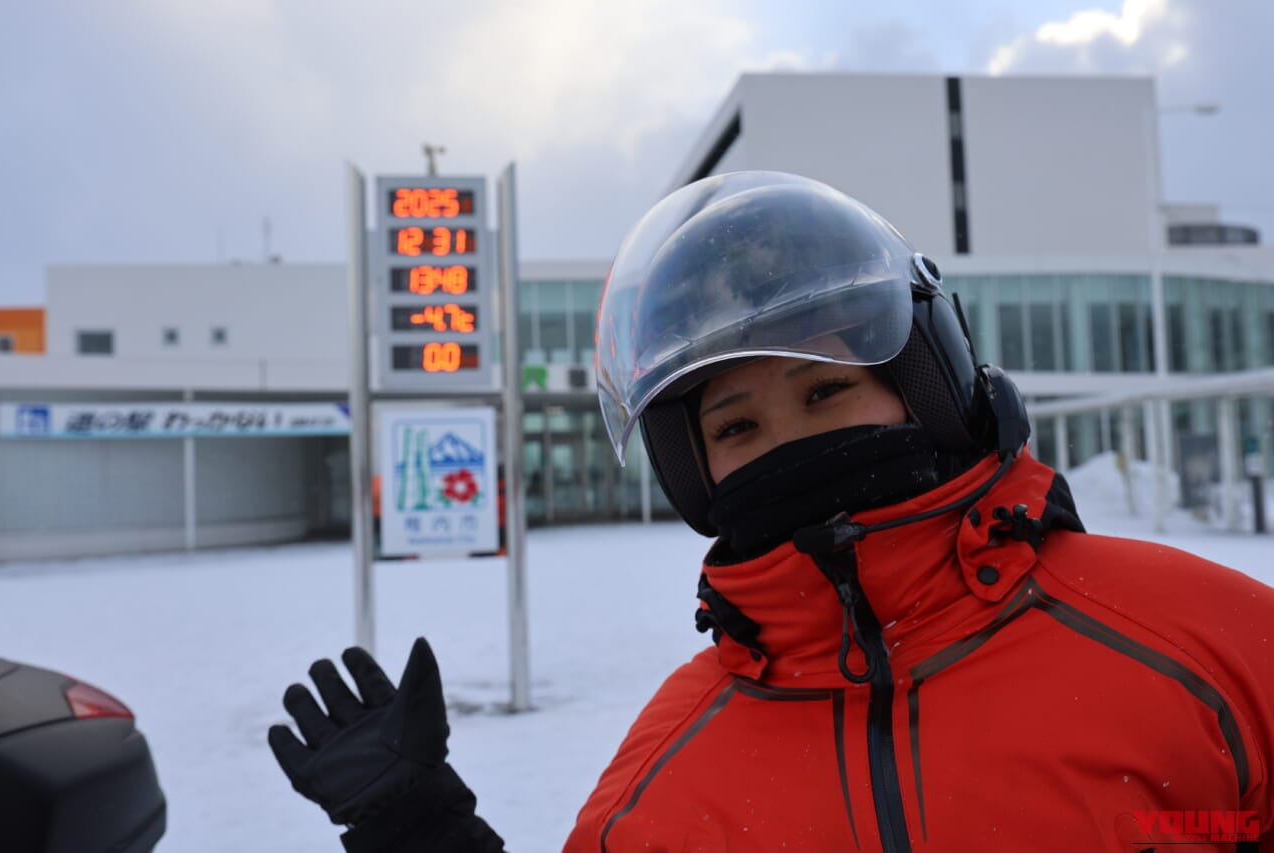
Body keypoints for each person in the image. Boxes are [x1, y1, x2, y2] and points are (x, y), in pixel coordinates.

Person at [270, 172, 1274, 852]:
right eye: (738, 424)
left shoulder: (1208, 644)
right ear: (692, 468)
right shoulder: (665, 772)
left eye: (826, 390)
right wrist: (420, 829)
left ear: (926, 381)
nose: (790, 440)